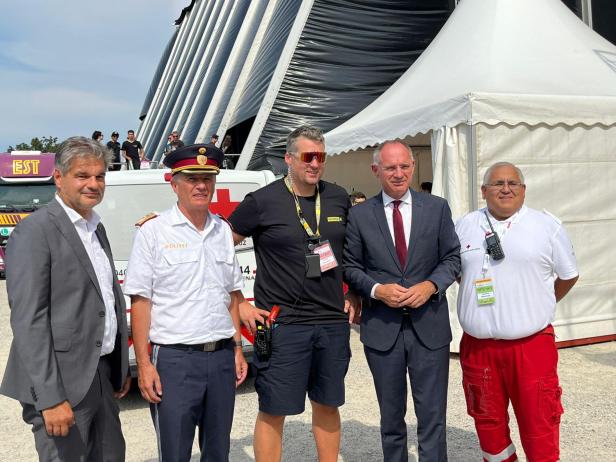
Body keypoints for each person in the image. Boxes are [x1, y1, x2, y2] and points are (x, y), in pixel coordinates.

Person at [0, 136, 131, 461]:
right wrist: (50, 397)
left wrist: (117, 369)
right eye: (82, 176)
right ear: (59, 178)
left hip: (98, 375)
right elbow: (29, 321)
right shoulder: (34, 232)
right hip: (60, 384)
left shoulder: (95, 228)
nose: (93, 184)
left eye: (100, 176)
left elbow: (104, 300)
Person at [228, 125, 353, 462]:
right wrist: (239, 302)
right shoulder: (262, 201)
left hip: (331, 322)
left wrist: (353, 295)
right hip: (283, 324)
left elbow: (356, 253)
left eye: (321, 157)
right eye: (308, 157)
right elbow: (216, 247)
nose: (315, 164)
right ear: (288, 158)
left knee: (328, 404)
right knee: (273, 409)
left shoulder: (338, 197)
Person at [123, 143, 248, 462]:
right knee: (175, 452)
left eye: (208, 178)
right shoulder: (153, 232)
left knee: (218, 451)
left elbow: (232, 296)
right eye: (191, 178)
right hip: (175, 361)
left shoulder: (222, 230)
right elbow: (141, 302)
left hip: (220, 358)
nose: (201, 185)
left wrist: (236, 349)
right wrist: (145, 364)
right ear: (174, 183)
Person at [343, 140, 460, 462]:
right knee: (391, 417)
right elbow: (350, 266)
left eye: (405, 166)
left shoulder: (436, 207)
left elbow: (452, 257)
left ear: (412, 167)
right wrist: (377, 289)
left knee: (432, 415)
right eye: (391, 167)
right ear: (376, 170)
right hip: (383, 329)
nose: (398, 174)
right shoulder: (360, 215)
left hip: (429, 327)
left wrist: (430, 285)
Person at [455, 162, 578, 462]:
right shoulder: (464, 226)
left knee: (540, 429)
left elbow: (569, 275)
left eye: (513, 183)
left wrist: (538, 304)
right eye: (497, 183)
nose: (505, 188)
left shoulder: (546, 227)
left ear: (524, 190)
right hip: (479, 349)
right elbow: (459, 274)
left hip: (531, 348)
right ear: (483, 191)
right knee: (489, 429)